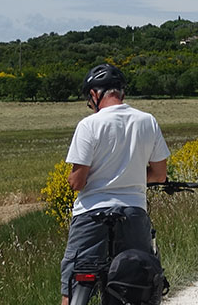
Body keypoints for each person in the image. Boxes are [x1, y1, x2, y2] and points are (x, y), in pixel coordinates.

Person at [60, 64, 170, 305]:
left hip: (90, 215)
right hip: (133, 213)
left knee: (73, 284)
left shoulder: (89, 125)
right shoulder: (147, 121)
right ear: (121, 92)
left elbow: (77, 182)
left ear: (94, 95)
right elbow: (160, 174)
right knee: (138, 280)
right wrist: (132, 176)